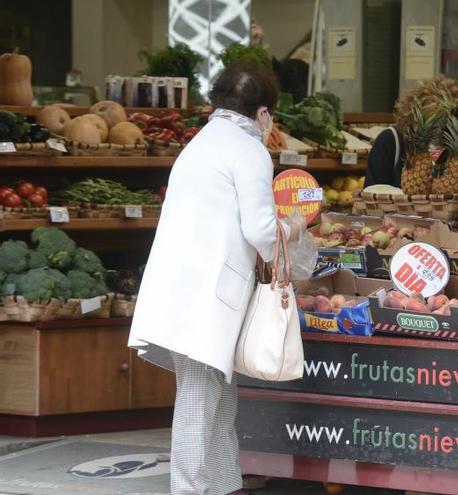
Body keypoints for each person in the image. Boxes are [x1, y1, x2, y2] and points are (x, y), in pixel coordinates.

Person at [128, 61, 302, 495]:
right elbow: (261, 231)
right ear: (263, 114)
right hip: (205, 301)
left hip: (183, 290)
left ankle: (224, 486)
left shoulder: (201, 142)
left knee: (220, 401)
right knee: (199, 401)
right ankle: (187, 489)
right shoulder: (249, 151)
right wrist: (296, 229)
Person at [365, 76, 458, 188]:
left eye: (444, 127)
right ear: (412, 115)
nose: (437, 134)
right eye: (430, 124)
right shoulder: (390, 141)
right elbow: (371, 198)